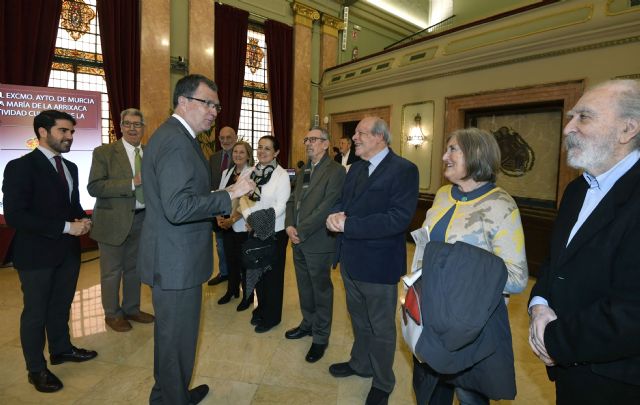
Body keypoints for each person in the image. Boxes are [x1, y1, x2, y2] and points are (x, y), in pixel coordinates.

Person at [137, 74, 255, 405]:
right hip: (176, 262)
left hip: (175, 257)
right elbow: (177, 208)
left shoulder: (178, 136)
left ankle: (168, 394)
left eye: (217, 105)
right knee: (177, 338)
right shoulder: (175, 140)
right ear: (184, 101)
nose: (215, 111)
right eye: (208, 103)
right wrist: (229, 193)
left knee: (172, 339)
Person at [528, 79, 640, 404]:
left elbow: (631, 313)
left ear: (627, 129)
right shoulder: (576, 190)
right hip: (571, 372)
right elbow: (554, 264)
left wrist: (553, 340)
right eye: (571, 117)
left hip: (617, 382)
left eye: (584, 117)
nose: (567, 128)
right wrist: (538, 308)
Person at [415, 127, 528, 404]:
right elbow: (425, 246)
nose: (444, 156)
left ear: (477, 154)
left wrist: (453, 264)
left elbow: (516, 277)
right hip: (431, 311)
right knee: (430, 390)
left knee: (469, 393)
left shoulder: (502, 205)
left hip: (470, 324)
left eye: (453, 149)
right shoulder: (443, 194)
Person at [2, 110, 98, 393]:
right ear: (43, 132)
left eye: (72, 132)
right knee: (35, 313)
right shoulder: (20, 167)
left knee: (61, 305)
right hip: (35, 254)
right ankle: (36, 369)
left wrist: (83, 219)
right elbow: (16, 217)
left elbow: (72, 206)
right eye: (63, 131)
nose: (69, 136)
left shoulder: (71, 167)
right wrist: (67, 227)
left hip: (67, 252)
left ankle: (61, 349)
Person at [326, 117, 419, 405]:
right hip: (351, 260)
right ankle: (360, 363)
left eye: (360, 133)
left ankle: (383, 381)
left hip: (378, 265)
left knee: (380, 326)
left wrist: (349, 224)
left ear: (380, 137)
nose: (354, 137)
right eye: (355, 133)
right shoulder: (355, 169)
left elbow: (398, 218)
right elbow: (343, 202)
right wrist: (334, 215)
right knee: (358, 319)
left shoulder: (404, 169)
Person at [87, 108, 155, 332]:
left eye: (137, 124)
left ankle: (132, 308)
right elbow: (94, 187)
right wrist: (132, 182)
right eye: (128, 124)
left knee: (135, 269)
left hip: (143, 220)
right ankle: (112, 314)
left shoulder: (150, 152)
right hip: (112, 222)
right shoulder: (104, 152)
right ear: (121, 126)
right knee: (112, 271)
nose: (133, 128)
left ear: (143, 128)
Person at [284, 127, 346, 363]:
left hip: (318, 241)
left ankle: (320, 337)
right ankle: (307, 323)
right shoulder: (304, 170)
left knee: (321, 291)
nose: (308, 143)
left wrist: (302, 229)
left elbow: (327, 206)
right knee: (304, 287)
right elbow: (292, 200)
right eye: (306, 139)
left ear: (325, 144)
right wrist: (290, 225)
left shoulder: (336, 171)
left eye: (313, 140)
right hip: (298, 240)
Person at [238, 135, 291, 333]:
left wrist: (257, 222)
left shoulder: (281, 175)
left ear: (276, 152)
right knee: (256, 272)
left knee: (272, 276)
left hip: (274, 232)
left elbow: (281, 206)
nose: (262, 152)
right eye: (260, 147)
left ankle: (272, 317)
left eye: (267, 148)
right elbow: (242, 199)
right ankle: (260, 309)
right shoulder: (250, 172)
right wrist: (250, 219)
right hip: (254, 230)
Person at [216, 141, 254, 309]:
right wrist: (218, 217)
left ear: (248, 155)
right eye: (235, 152)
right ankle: (232, 290)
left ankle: (248, 295)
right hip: (226, 224)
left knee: (244, 262)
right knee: (230, 259)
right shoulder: (227, 172)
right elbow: (220, 195)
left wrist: (233, 219)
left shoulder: (251, 173)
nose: (237, 155)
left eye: (242, 152)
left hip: (241, 224)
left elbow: (248, 201)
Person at [207, 126, 238, 286]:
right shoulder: (213, 158)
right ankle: (224, 272)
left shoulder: (241, 156)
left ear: (235, 138)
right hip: (216, 208)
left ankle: (237, 275)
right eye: (222, 138)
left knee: (235, 244)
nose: (225, 141)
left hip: (235, 208)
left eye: (229, 137)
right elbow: (211, 183)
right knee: (220, 244)